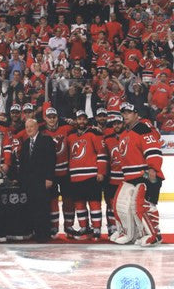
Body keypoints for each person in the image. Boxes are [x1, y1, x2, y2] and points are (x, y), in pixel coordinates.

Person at [112, 103, 164, 246]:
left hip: (146, 175)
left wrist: (152, 171)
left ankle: (155, 235)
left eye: (129, 112)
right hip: (131, 177)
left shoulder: (143, 129)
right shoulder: (124, 134)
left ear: (136, 114)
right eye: (123, 113)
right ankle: (132, 234)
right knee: (120, 204)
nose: (125, 115)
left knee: (143, 205)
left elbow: (153, 150)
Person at [67, 110, 108, 240]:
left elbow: (102, 153)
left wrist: (101, 172)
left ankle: (96, 229)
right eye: (79, 119)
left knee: (94, 203)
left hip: (91, 175)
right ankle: (84, 227)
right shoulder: (70, 136)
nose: (82, 121)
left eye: (84, 119)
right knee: (79, 204)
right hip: (75, 176)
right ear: (76, 120)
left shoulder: (94, 133)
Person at [19, 118, 56, 242]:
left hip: (42, 181)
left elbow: (51, 160)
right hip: (30, 183)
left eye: (31, 126)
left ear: (37, 127)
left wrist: (49, 178)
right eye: (27, 127)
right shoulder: (25, 143)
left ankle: (44, 234)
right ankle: (34, 232)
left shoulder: (46, 140)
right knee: (32, 207)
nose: (29, 129)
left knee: (43, 208)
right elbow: (23, 164)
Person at [41, 107, 76, 238]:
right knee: (52, 201)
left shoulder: (66, 129)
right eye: (49, 117)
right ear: (45, 118)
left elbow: (80, 125)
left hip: (66, 172)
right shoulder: (42, 132)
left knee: (68, 200)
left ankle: (69, 226)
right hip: (51, 174)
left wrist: (70, 121)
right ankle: (54, 227)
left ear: (57, 117)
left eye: (54, 117)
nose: (52, 119)